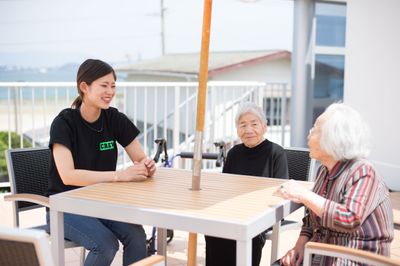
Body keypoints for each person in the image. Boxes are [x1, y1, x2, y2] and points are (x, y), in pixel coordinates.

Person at [46, 59, 156, 266]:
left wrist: (146, 166)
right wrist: (119, 176)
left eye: (113, 85)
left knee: (137, 236)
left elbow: (139, 157)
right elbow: (68, 175)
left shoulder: (113, 118)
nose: (110, 91)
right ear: (84, 87)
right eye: (104, 85)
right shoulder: (63, 124)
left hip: (100, 203)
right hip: (64, 208)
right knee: (105, 244)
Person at [275, 103, 394, 266]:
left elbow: (349, 219)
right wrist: (299, 247)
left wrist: (304, 194)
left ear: (332, 138)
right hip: (322, 253)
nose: (308, 135)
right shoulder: (324, 170)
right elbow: (311, 220)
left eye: (314, 130)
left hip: (354, 258)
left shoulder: (364, 172)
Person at [205, 102, 289, 266]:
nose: (248, 130)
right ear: (237, 130)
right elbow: (225, 188)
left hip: (260, 214)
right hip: (233, 211)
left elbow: (282, 192)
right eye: (243, 125)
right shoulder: (234, 153)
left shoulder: (276, 153)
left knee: (245, 234)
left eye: (254, 124)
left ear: (264, 127)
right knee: (214, 231)